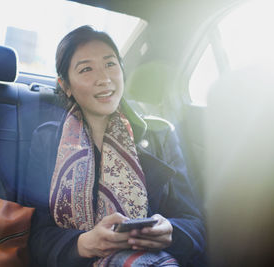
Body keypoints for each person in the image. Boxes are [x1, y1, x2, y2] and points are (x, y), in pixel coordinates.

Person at [23, 25, 205, 267]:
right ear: (65, 85)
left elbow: (194, 224)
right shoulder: (47, 141)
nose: (104, 79)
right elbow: (36, 237)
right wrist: (85, 243)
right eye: (86, 69)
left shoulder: (160, 136)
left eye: (110, 64)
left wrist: (171, 231)